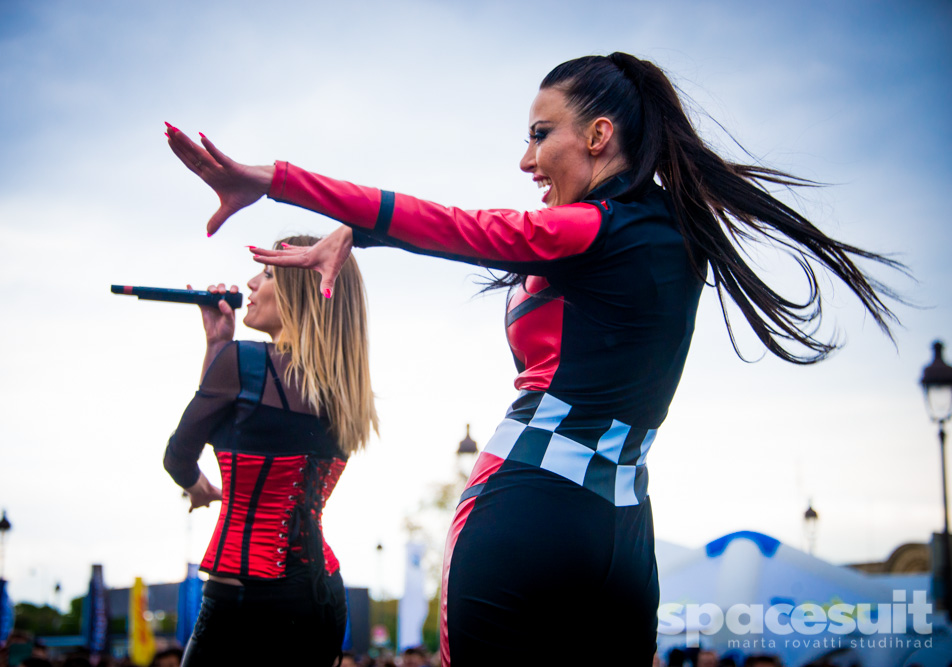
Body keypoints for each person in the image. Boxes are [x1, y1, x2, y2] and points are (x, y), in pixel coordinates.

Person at [164, 52, 903, 666]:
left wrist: (276, 180)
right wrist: (360, 234)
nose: (526, 159)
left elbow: (457, 225)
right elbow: (466, 234)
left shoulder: (588, 230)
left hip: (526, 511)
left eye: (540, 134)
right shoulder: (678, 235)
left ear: (599, 134)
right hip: (623, 525)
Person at [162, 236, 377, 666]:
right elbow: (245, 430)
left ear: (298, 295)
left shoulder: (241, 363)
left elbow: (180, 453)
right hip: (321, 599)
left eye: (267, 274)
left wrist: (198, 487)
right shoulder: (346, 388)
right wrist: (218, 349)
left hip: (242, 597)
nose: (251, 283)